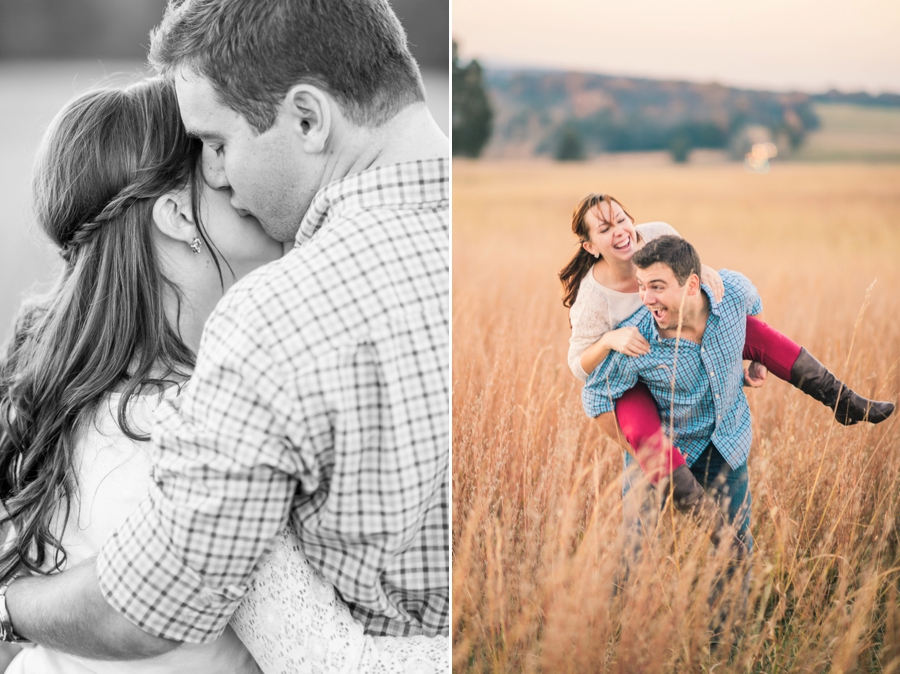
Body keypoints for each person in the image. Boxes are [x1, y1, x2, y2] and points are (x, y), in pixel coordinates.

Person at [1, 0, 449, 663]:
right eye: (204, 152)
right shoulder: (160, 427)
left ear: (307, 118)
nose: (223, 175)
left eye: (219, 142)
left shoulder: (267, 331)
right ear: (177, 217)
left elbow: (159, 610)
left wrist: (10, 605)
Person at [560, 194, 894, 540]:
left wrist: (701, 274)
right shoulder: (593, 298)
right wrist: (609, 340)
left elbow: (687, 267)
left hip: (686, 339)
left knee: (752, 330)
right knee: (647, 445)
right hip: (635, 368)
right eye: (604, 228)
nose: (619, 231)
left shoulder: (657, 233)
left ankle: (842, 399)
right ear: (589, 246)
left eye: (621, 219)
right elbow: (579, 367)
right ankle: (710, 527)